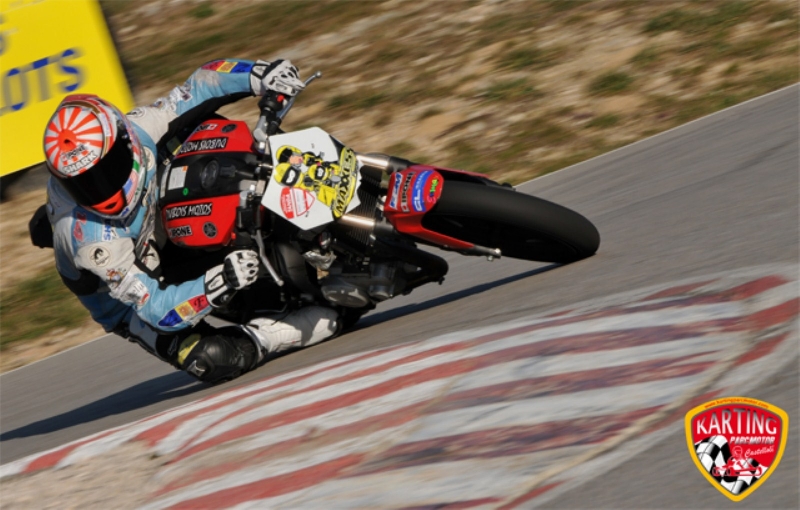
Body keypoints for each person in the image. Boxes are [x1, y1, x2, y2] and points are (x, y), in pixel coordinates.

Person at [41, 58, 340, 384]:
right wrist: (219, 282)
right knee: (209, 357)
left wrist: (258, 74)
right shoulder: (94, 244)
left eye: (108, 168)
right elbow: (155, 309)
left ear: (125, 139)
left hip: (159, 222)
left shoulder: (139, 128)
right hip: (135, 294)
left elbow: (198, 88)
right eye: (84, 184)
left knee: (203, 136)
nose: (103, 190)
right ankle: (270, 336)